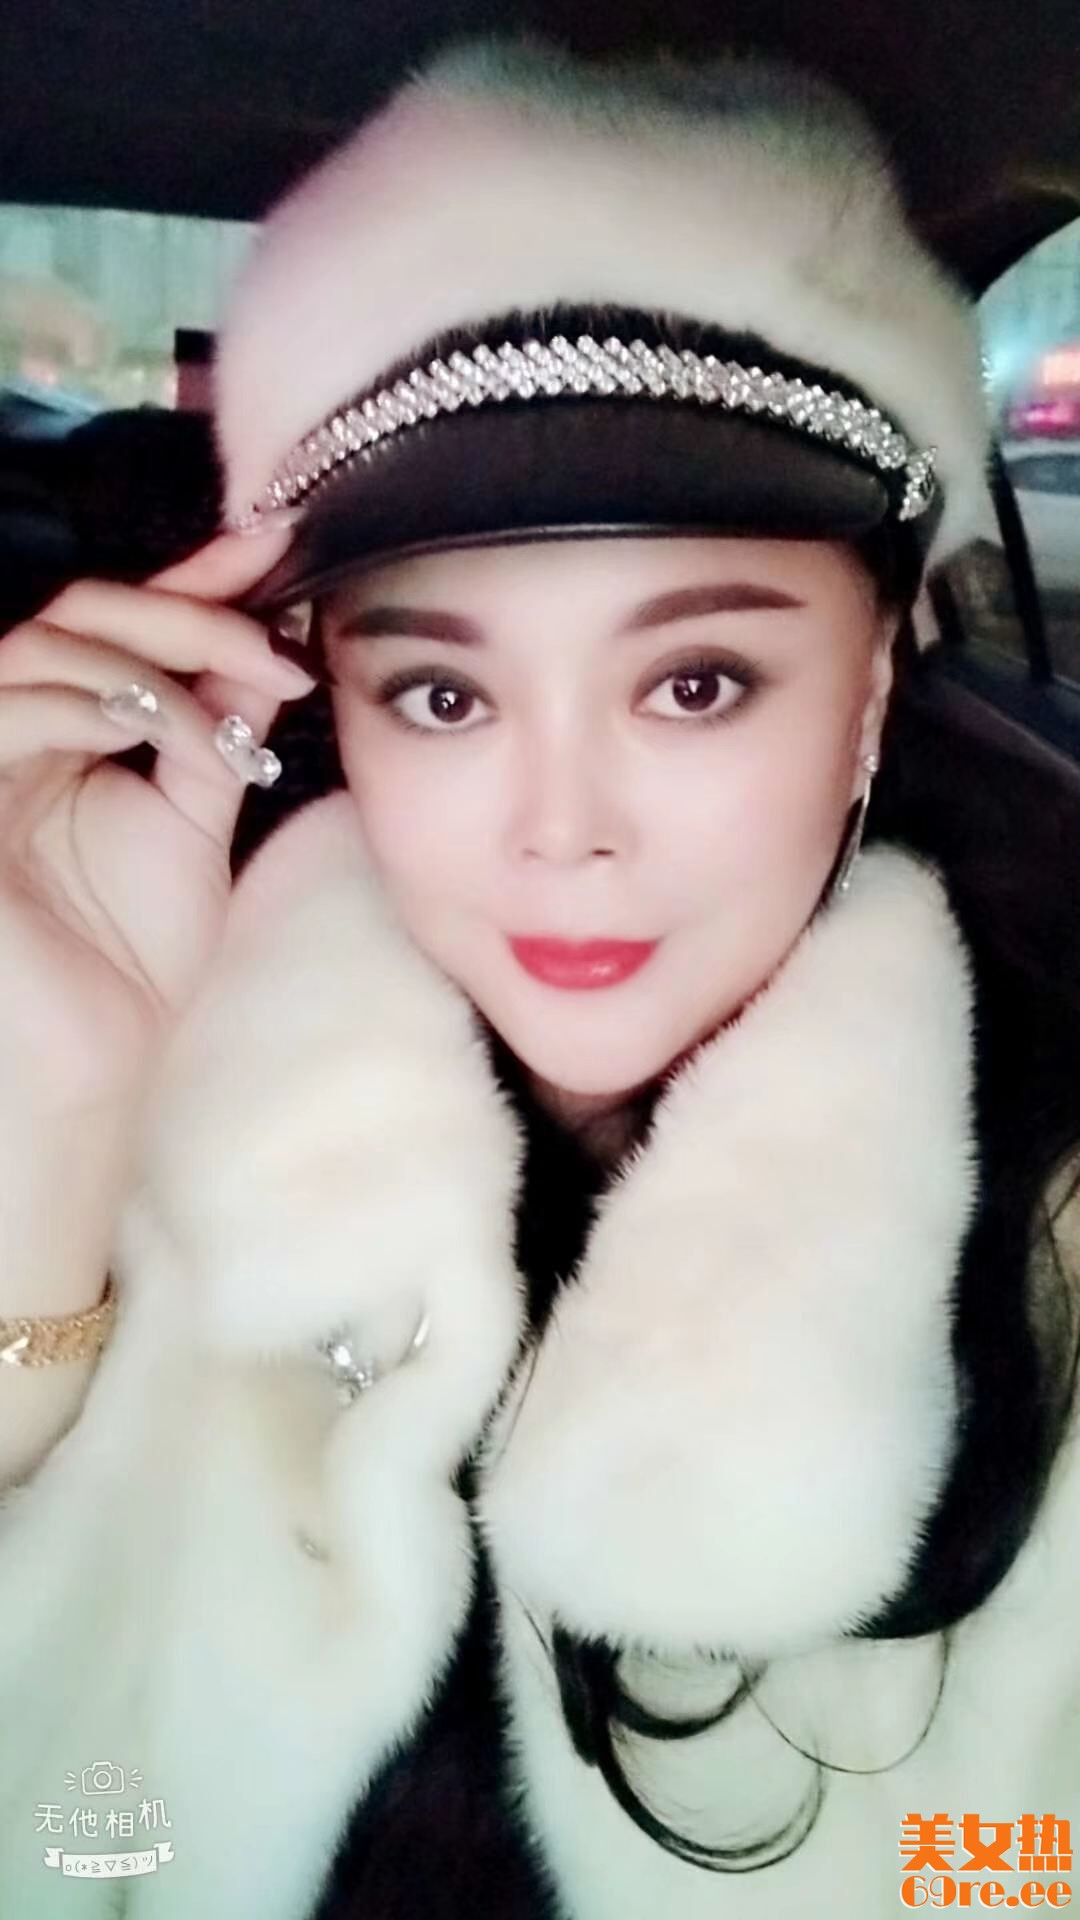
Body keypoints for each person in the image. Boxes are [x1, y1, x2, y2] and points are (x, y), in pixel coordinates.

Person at [0, 29, 1078, 1920]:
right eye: (443, 692)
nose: (558, 830)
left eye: (695, 682)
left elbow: (1011, 1869)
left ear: (869, 695)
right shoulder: (188, 1079)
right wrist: (56, 1105)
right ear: (328, 701)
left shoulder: (1056, 1234)